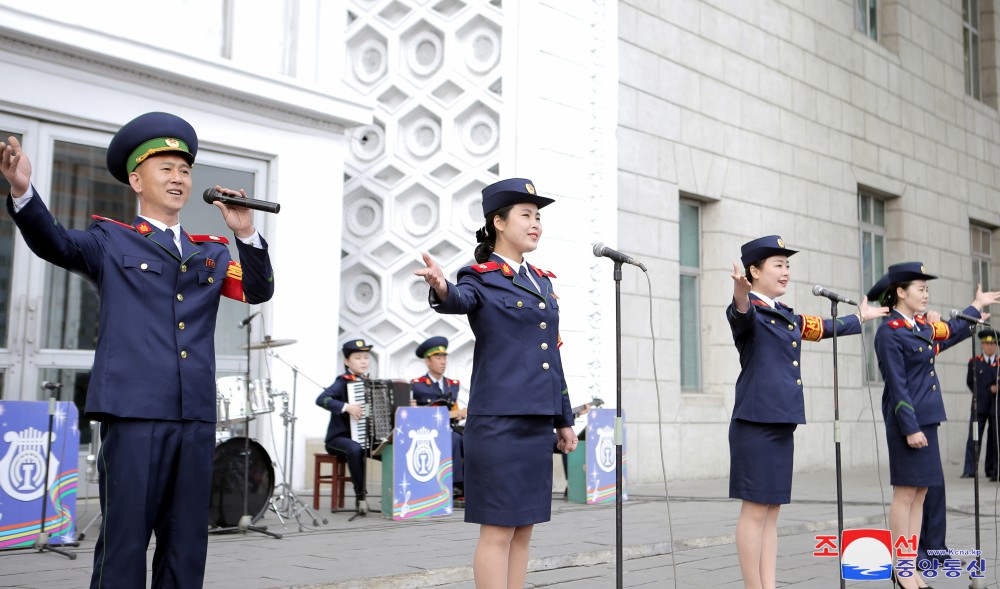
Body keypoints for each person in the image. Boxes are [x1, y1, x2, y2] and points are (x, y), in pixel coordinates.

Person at [1, 112, 275, 589]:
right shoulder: (110, 240)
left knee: (187, 541)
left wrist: (245, 233)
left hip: (193, 416)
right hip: (134, 414)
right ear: (136, 179)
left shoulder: (209, 252)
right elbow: (56, 244)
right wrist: (24, 192)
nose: (178, 178)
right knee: (125, 542)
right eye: (165, 168)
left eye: (185, 170)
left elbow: (257, 290)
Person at [415, 177, 577, 589]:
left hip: (536, 422)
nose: (536, 223)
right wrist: (440, 286)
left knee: (525, 529)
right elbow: (459, 299)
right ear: (499, 222)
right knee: (498, 530)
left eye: (538, 216)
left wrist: (563, 419)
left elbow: (551, 358)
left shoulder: (542, 281)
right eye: (526, 215)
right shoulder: (480, 276)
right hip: (499, 422)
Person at [727, 235, 887, 589]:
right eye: (778, 265)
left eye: (788, 265)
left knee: (772, 513)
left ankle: (768, 585)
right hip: (754, 425)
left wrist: (860, 316)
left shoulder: (785, 315)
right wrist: (740, 292)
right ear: (754, 271)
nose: (786, 272)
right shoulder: (751, 312)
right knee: (754, 512)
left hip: (781, 424)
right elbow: (740, 314)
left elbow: (824, 328)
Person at [867, 262, 1000, 589]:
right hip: (907, 420)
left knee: (922, 491)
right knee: (905, 492)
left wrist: (977, 306)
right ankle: (902, 568)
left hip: (927, 417)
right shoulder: (890, 331)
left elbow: (952, 331)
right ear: (900, 292)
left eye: (927, 289)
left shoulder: (918, 326)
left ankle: (910, 565)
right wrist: (909, 427)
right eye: (920, 288)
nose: (926, 294)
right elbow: (896, 384)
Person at [316, 339, 373, 515]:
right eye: (358, 358)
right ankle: (360, 496)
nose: (363, 361)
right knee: (355, 449)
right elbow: (322, 399)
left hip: (363, 437)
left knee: (389, 449)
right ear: (347, 362)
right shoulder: (342, 382)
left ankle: (397, 497)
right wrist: (347, 407)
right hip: (338, 439)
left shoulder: (370, 383)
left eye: (365, 357)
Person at [409, 336, 466, 504]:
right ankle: (456, 485)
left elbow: (454, 408)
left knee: (471, 438)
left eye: (444, 358)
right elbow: (411, 412)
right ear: (427, 361)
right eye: (438, 358)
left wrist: (460, 413)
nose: (443, 362)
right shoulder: (417, 384)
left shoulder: (452, 384)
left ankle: (471, 485)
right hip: (425, 430)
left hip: (449, 426)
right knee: (454, 438)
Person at [962, 329, 1000, 480]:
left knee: (994, 439)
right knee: (974, 437)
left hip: (996, 407)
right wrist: (982, 393)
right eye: (986, 344)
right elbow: (970, 382)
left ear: (996, 346)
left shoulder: (998, 363)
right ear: (982, 345)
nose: (989, 347)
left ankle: (992, 470)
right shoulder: (975, 362)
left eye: (992, 344)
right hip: (980, 406)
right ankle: (970, 469)